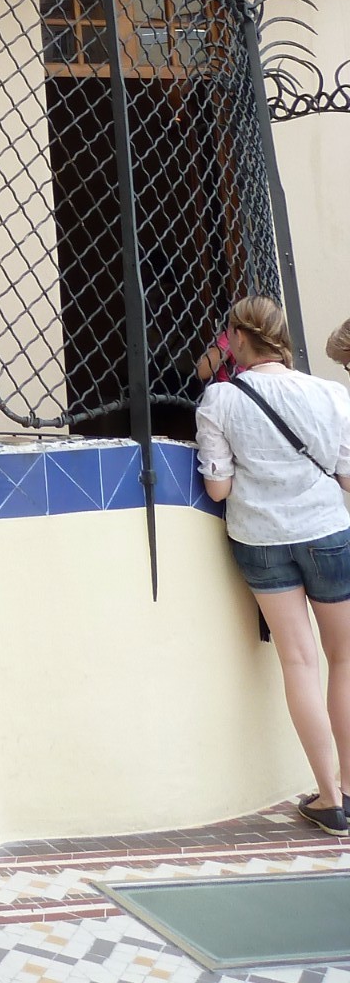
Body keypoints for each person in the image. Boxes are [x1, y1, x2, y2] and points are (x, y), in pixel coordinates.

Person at [196, 294, 350, 833]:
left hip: (260, 540)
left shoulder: (220, 399)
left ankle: (328, 799)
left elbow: (218, 489)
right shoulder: (330, 394)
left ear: (237, 338)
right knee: (343, 660)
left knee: (299, 663)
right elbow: (347, 477)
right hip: (327, 534)